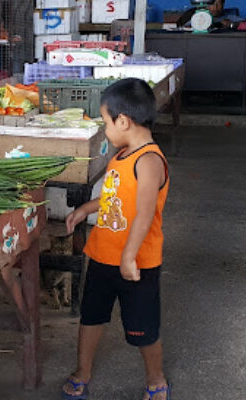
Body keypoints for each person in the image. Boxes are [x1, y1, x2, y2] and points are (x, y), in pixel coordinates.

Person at [61, 78, 170, 400]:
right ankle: (83, 371)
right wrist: (86, 209)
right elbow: (115, 197)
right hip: (103, 256)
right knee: (91, 316)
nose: (105, 130)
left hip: (137, 264)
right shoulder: (122, 156)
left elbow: (145, 212)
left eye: (105, 122)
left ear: (123, 121)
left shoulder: (149, 161)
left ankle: (155, 378)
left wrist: (128, 256)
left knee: (143, 329)